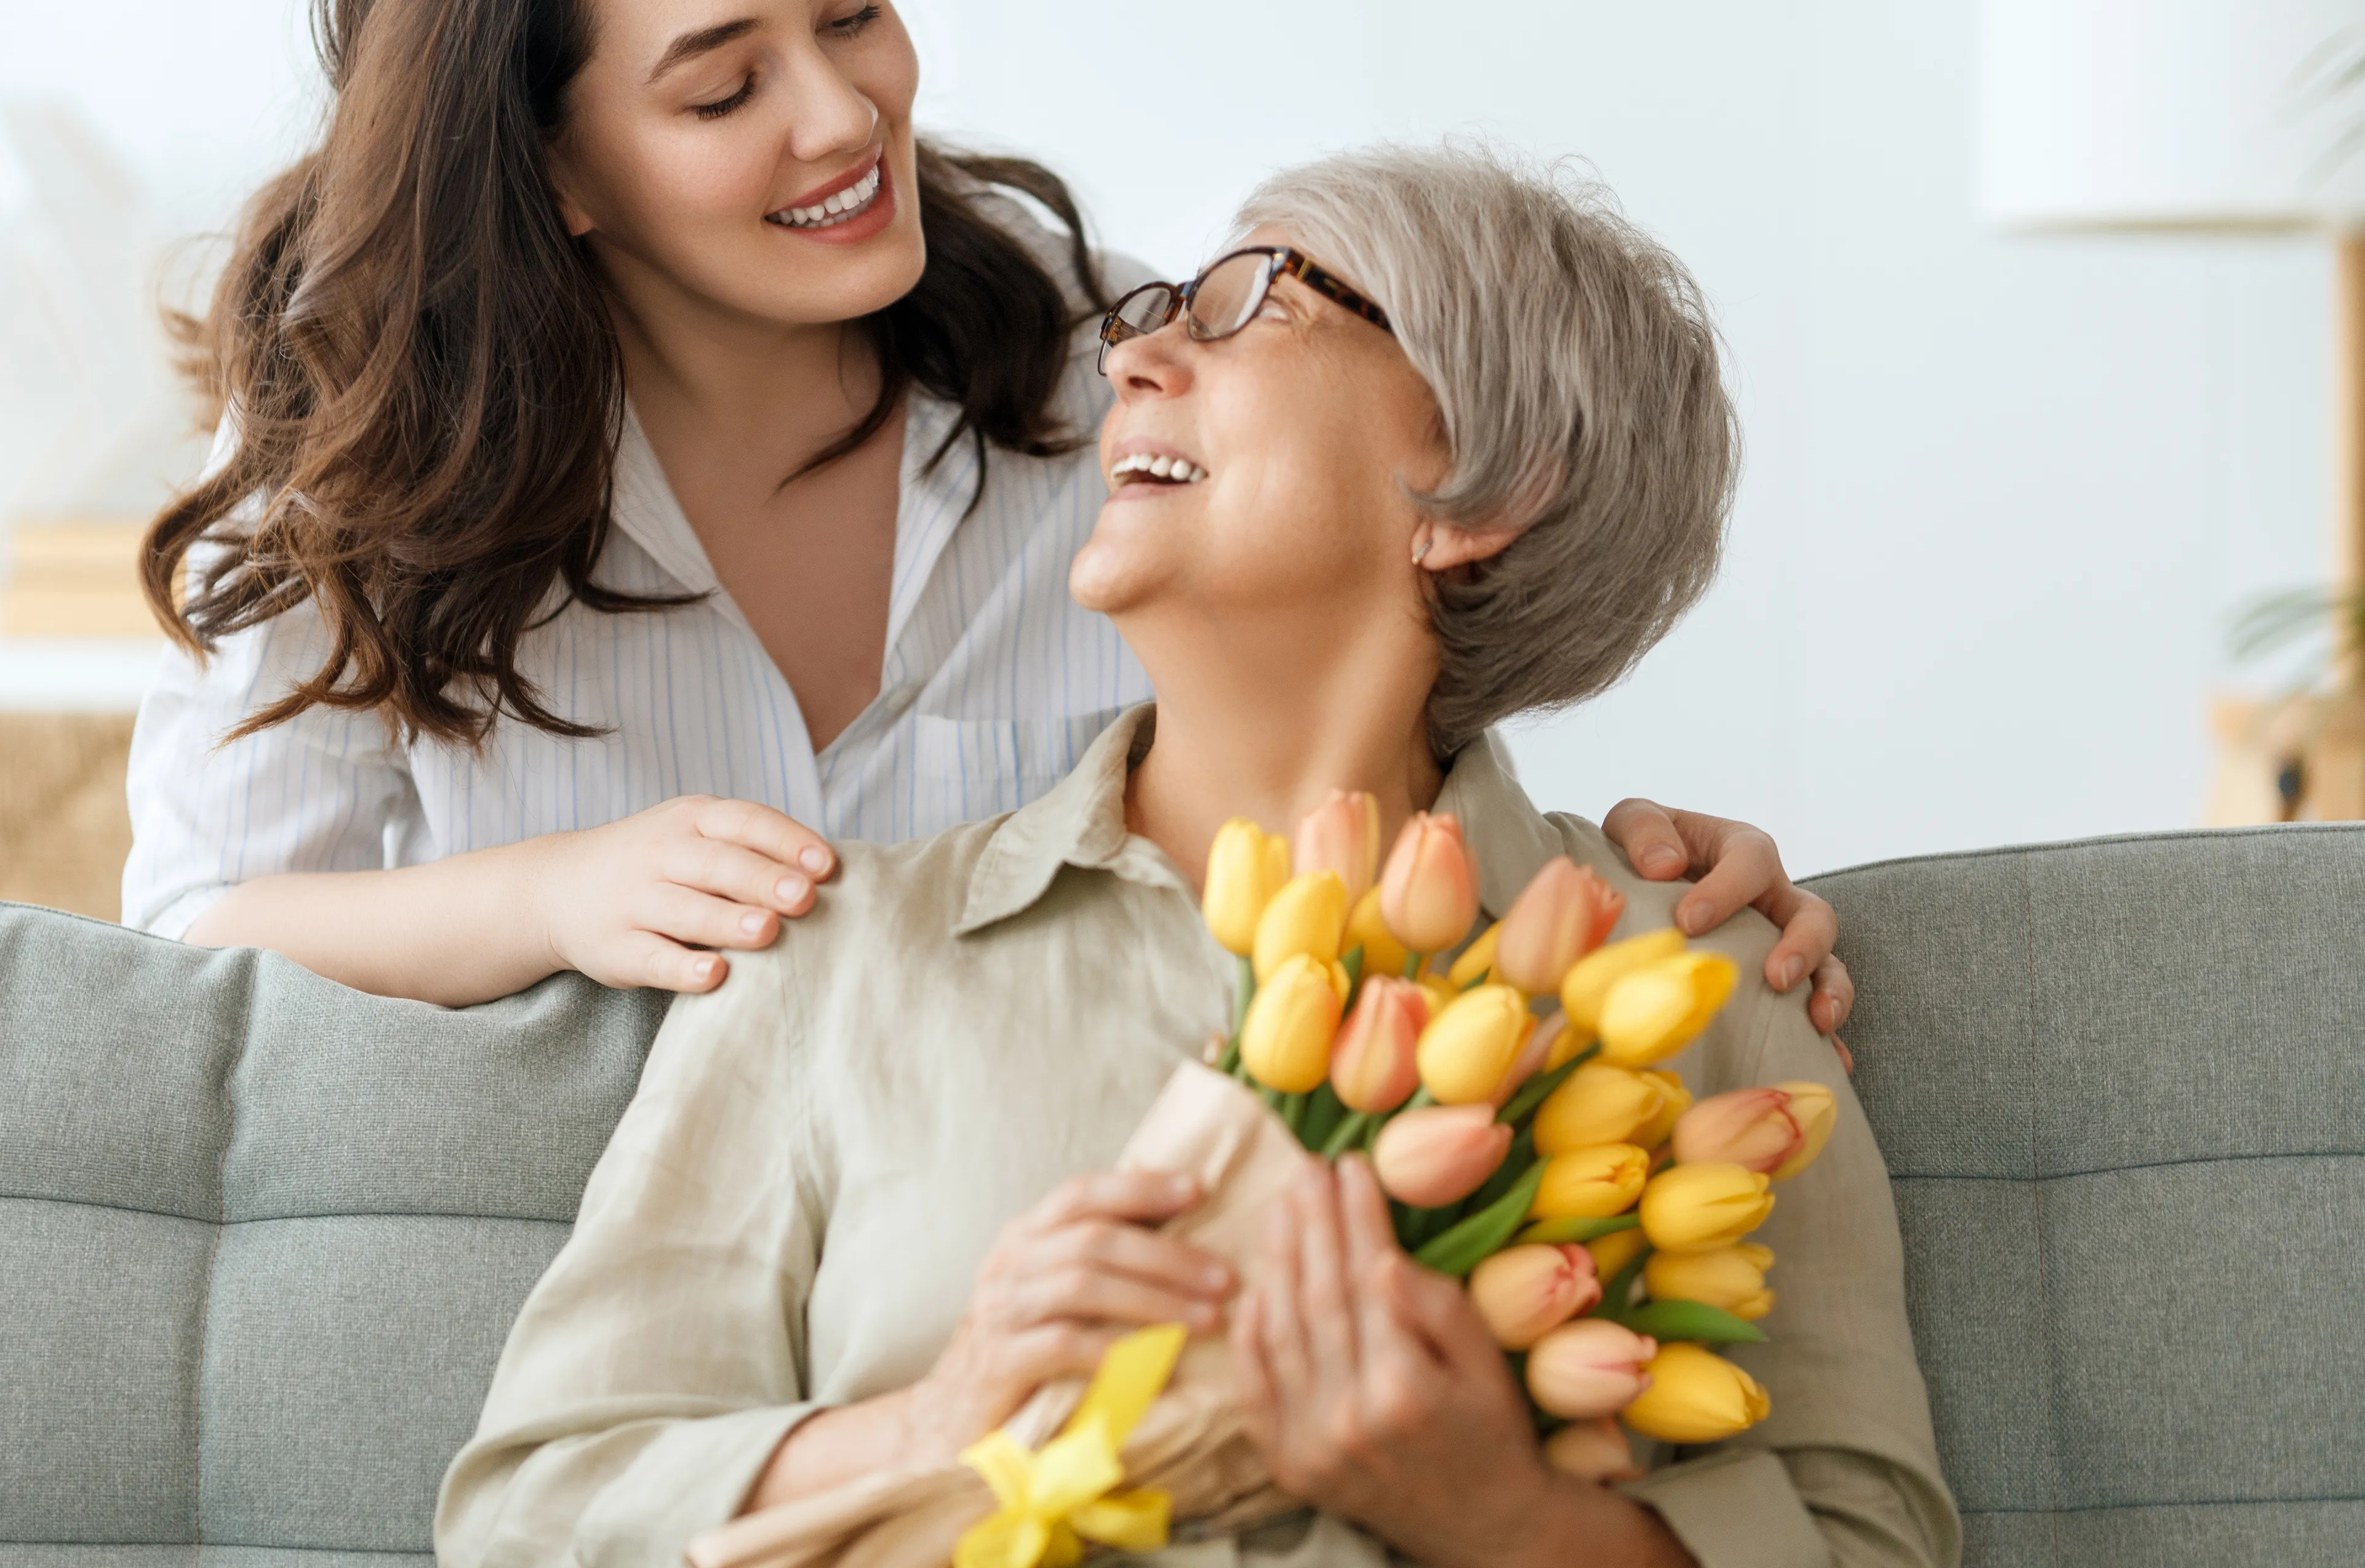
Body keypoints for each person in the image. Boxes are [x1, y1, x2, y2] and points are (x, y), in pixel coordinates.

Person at [121, 0, 1855, 1044]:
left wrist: (1645, 881)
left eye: (850, 10)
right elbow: (188, 930)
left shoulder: (1135, 375)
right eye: (723, 92)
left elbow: (1374, 741)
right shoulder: (363, 462)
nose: (841, 114)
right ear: (553, 166)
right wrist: (545, 895)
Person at [439, 143, 1956, 1568]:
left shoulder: (1692, 971)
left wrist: (1499, 1516)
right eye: (1158, 312)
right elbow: (532, 1509)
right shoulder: (829, 960)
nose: (1133, 357)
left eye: (1254, 306)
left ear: (1487, 490)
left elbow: (1866, 1537)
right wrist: (937, 1423)